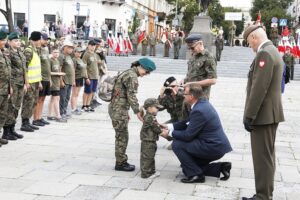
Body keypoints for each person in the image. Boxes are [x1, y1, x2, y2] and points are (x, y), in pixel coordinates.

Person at [242, 25, 285, 200]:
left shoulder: (264, 53)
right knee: (267, 156)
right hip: (270, 113)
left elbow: (259, 89)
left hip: (262, 115)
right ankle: (265, 193)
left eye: (248, 42)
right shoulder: (272, 50)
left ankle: (263, 196)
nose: (250, 47)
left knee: (262, 158)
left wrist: (249, 116)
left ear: (254, 37)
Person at [160, 84, 232, 183]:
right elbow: (187, 123)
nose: (183, 96)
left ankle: (197, 175)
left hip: (212, 147)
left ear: (191, 96)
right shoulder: (202, 103)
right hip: (215, 145)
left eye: (184, 94)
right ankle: (221, 167)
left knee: (177, 144)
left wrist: (169, 133)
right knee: (187, 168)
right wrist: (168, 126)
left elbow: (188, 136)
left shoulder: (199, 110)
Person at [108, 57, 156, 172]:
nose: (146, 74)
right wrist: (137, 112)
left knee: (121, 135)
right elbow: (131, 96)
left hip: (117, 108)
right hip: (119, 110)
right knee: (122, 137)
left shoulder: (128, 72)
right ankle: (120, 163)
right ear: (141, 67)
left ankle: (121, 160)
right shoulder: (132, 76)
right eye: (147, 71)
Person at [3, 32, 25, 140]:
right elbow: (8, 70)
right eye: (16, 41)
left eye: (19, 40)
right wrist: (10, 86)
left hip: (21, 83)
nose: (18, 42)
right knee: (10, 107)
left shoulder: (20, 52)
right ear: (10, 42)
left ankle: (12, 129)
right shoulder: (8, 53)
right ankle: (6, 131)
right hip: (14, 84)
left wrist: (26, 82)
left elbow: (24, 69)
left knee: (17, 107)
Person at [20, 31, 43, 132]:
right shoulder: (28, 51)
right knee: (28, 102)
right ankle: (24, 123)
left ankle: (28, 121)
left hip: (36, 81)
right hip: (30, 82)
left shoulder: (35, 50)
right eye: (40, 39)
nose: (41, 41)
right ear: (37, 40)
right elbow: (24, 68)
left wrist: (40, 81)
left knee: (33, 102)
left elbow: (37, 68)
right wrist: (26, 82)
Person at [184, 33, 217, 99]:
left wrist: (192, 84)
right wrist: (184, 80)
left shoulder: (208, 57)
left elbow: (213, 80)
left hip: (200, 97)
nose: (191, 50)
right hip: (189, 95)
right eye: (189, 48)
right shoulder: (194, 56)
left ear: (200, 43)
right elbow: (192, 74)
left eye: (192, 48)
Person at [140, 98, 163, 179]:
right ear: (149, 108)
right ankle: (145, 173)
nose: (158, 110)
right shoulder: (149, 117)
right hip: (148, 141)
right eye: (156, 108)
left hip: (151, 140)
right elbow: (156, 129)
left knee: (151, 157)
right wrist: (164, 133)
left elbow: (156, 125)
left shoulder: (150, 116)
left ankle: (152, 171)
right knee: (147, 158)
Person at [32, 33, 51, 127]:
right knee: (38, 99)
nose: (46, 41)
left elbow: (48, 65)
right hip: (41, 78)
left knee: (43, 99)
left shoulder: (46, 50)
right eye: (45, 39)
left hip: (47, 78)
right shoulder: (37, 51)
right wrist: (39, 80)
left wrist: (50, 78)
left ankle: (39, 117)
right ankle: (35, 118)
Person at [48, 48, 67, 122]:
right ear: (51, 53)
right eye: (55, 52)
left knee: (53, 99)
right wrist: (58, 74)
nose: (56, 54)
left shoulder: (58, 61)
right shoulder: (50, 61)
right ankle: (58, 116)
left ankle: (49, 115)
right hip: (53, 82)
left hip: (57, 82)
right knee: (56, 98)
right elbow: (48, 72)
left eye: (57, 52)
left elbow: (59, 71)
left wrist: (61, 80)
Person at [59, 40, 75, 118]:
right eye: (69, 48)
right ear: (65, 48)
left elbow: (72, 69)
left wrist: (73, 80)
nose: (71, 49)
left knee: (67, 97)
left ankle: (64, 111)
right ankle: (61, 112)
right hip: (64, 80)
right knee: (63, 97)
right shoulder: (62, 56)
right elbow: (60, 69)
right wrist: (61, 81)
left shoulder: (69, 57)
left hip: (70, 81)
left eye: (72, 48)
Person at [0, 31, 11, 146]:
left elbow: (8, 72)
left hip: (5, 88)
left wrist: (10, 87)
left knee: (2, 114)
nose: (5, 42)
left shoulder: (3, 52)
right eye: (3, 40)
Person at [82, 40, 98, 112]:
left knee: (92, 91)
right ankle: (84, 105)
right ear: (88, 45)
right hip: (89, 76)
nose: (93, 47)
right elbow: (84, 67)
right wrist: (86, 77)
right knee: (87, 91)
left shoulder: (94, 54)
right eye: (91, 45)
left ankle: (88, 105)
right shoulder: (86, 54)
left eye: (94, 46)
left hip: (95, 76)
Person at [71, 47, 87, 114]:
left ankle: (75, 107)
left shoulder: (80, 59)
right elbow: (73, 70)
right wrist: (73, 80)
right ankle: (73, 108)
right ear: (74, 52)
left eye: (81, 52)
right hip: (76, 78)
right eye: (78, 52)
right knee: (74, 94)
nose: (80, 53)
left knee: (77, 94)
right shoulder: (74, 60)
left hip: (81, 78)